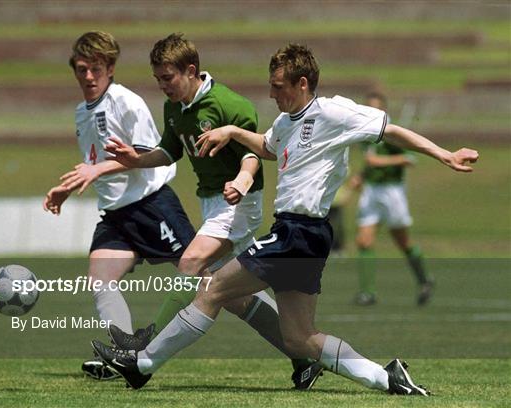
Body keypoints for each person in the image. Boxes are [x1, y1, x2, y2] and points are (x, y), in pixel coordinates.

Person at [92, 43, 478, 394]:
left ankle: (142, 364)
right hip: (303, 237)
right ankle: (387, 376)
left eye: (278, 87)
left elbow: (389, 130)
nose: (272, 94)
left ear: (303, 83)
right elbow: (266, 147)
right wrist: (232, 132)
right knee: (298, 338)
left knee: (211, 290)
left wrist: (444, 154)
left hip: (297, 233)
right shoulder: (286, 122)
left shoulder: (332, 111)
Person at [102, 33, 320, 389]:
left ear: (191, 70)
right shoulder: (174, 108)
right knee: (236, 298)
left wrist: (242, 183)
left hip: (238, 204)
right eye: (157, 79)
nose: (162, 86)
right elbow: (169, 151)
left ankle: (142, 348)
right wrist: (136, 160)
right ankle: (305, 360)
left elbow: (254, 155)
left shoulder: (228, 104)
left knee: (190, 263)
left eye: (167, 78)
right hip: (212, 205)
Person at [42, 31, 196, 380]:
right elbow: (94, 162)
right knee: (100, 278)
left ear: (110, 68)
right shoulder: (82, 112)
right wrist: (68, 189)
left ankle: (299, 351)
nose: (88, 77)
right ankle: (125, 354)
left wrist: (96, 169)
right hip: (116, 214)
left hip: (152, 206)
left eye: (96, 69)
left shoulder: (127, 102)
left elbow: (146, 154)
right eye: (81, 69)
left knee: (213, 283)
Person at [353, 91, 434, 306]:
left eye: (376, 108)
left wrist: (380, 161)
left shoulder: (391, 132)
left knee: (403, 242)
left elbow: (409, 159)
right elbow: (369, 162)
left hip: (391, 192)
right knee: (364, 240)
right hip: (371, 191)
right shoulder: (366, 133)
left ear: (384, 110)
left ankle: (424, 279)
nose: (372, 112)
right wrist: (362, 176)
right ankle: (368, 293)